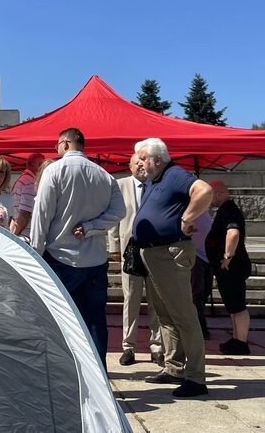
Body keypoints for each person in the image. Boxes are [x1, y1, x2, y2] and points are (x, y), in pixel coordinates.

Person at [31, 128, 126, 369]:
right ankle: (99, 374)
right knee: (96, 319)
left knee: (64, 320)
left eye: (56, 146)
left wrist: (36, 250)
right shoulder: (104, 175)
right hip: (94, 258)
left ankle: (70, 372)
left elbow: (42, 215)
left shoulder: (54, 170)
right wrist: (92, 226)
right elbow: (119, 212)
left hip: (61, 257)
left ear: (64, 143)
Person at [133, 138, 213, 398]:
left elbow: (204, 190)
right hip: (153, 254)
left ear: (158, 159)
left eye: (143, 158)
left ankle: (196, 377)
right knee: (164, 314)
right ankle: (174, 367)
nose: (140, 163)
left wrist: (188, 217)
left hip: (170, 253)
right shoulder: (154, 181)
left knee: (183, 315)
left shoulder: (175, 175)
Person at [107, 153, 163, 367]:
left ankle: (157, 347)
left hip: (154, 251)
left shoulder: (157, 186)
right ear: (129, 165)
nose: (140, 165)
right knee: (130, 299)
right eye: (136, 162)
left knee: (156, 300)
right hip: (129, 251)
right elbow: (114, 217)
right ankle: (128, 346)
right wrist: (113, 246)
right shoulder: (120, 185)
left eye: (143, 161)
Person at [205, 180, 253, 355]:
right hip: (229, 267)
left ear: (219, 193)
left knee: (237, 305)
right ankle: (236, 338)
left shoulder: (230, 211)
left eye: (210, 196)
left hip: (232, 266)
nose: (209, 200)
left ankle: (241, 342)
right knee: (233, 305)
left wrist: (227, 256)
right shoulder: (226, 210)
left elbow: (233, 233)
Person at [190, 211, 214, 340]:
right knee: (197, 294)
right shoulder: (189, 208)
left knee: (204, 292)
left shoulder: (203, 210)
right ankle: (200, 327)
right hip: (195, 256)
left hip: (206, 257)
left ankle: (200, 325)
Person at [9, 153, 44, 241]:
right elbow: (24, 214)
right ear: (39, 166)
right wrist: (12, 237)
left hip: (20, 235)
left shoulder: (22, 180)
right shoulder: (30, 183)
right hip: (25, 237)